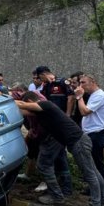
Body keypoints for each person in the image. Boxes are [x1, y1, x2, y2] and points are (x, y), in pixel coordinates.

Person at [15, 91, 104, 206]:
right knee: (93, 172)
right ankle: (103, 203)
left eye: (28, 104)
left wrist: (4, 100)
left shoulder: (45, 105)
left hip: (78, 142)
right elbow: (22, 110)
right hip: (79, 142)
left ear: (31, 102)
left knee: (90, 174)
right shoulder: (41, 112)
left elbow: (22, 105)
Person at [33, 66, 73, 195]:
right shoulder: (46, 86)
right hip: (53, 125)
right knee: (60, 156)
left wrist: (67, 114)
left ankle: (62, 189)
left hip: (61, 123)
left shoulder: (62, 82)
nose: (40, 80)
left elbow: (71, 97)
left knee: (55, 157)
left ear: (44, 74)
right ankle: (64, 187)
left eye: (40, 77)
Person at [74, 74, 104, 200]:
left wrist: (79, 97)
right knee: (93, 164)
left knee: (97, 164)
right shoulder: (93, 96)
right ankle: (96, 188)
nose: (81, 85)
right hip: (91, 133)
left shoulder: (100, 96)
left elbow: (84, 111)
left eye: (83, 82)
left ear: (93, 82)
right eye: (79, 83)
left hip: (97, 134)